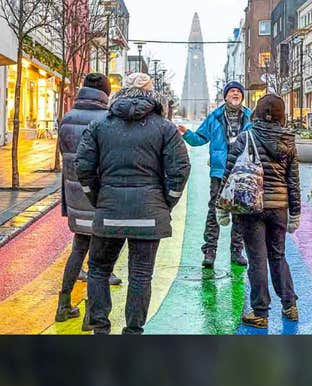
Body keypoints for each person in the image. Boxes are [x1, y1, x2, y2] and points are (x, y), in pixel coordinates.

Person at [76, 73, 190, 334]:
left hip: (109, 211)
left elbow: (83, 166)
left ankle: (100, 328)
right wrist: (166, 202)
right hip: (149, 213)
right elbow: (180, 168)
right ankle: (133, 332)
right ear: (152, 94)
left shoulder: (100, 125)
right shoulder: (165, 127)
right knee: (140, 275)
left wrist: (98, 198)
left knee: (98, 269)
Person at [220, 94, 299, 327]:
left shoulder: (246, 136)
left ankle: (260, 312)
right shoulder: (289, 141)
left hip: (250, 206)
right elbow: (293, 181)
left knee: (256, 259)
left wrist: (221, 207)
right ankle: (290, 304)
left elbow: (229, 172)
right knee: (278, 255)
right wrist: (295, 212)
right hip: (279, 207)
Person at [55, 72, 119, 323]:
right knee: (98, 261)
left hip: (74, 196)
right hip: (99, 196)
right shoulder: (107, 120)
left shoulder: (67, 118)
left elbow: (64, 154)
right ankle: (91, 313)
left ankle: (63, 304)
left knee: (78, 250)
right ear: (106, 93)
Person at [180, 81, 252, 268]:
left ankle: (236, 251)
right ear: (225, 96)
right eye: (232, 92)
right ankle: (210, 251)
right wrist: (186, 133)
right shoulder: (215, 116)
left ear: (242, 96)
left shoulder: (250, 117)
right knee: (214, 211)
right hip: (220, 172)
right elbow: (199, 139)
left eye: (238, 92)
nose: (235, 94)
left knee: (239, 212)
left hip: (241, 171)